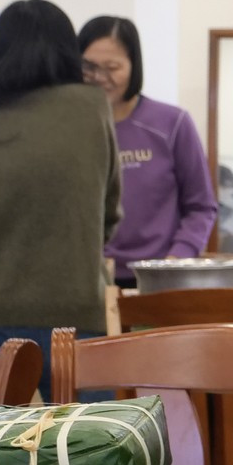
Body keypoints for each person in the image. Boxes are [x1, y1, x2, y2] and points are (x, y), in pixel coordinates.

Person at [0, 0, 120, 414]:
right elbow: (108, 213)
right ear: (68, 52)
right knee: (88, 445)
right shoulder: (91, 108)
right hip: (73, 309)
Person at [78, 16, 217, 283]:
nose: (100, 78)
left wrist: (176, 259)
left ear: (134, 66)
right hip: (89, 279)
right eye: (89, 67)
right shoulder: (70, 128)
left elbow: (201, 206)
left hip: (160, 277)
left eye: (112, 67)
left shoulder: (172, 123)